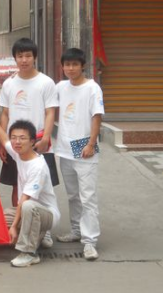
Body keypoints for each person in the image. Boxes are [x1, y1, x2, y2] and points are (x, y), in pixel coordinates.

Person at [0, 38, 58, 248]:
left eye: (28, 56)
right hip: (14, 144)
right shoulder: (9, 83)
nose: (24, 60)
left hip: (38, 141)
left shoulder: (46, 82)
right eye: (20, 56)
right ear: (15, 58)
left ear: (35, 57)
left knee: (42, 187)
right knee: (17, 185)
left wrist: (46, 137)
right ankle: (20, 227)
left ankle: (44, 231)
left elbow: (50, 112)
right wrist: (3, 143)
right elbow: (5, 114)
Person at [0, 114, 60, 267]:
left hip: (46, 213)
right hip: (28, 211)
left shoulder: (38, 166)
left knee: (28, 207)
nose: (17, 142)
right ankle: (35, 235)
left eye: (22, 138)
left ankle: (29, 253)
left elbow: (24, 200)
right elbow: (3, 138)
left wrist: (14, 226)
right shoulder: (18, 153)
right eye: (14, 138)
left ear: (32, 141)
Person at [55, 48, 104, 261]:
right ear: (62, 66)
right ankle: (76, 230)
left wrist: (91, 143)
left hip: (84, 147)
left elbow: (97, 116)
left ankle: (90, 241)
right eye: (67, 64)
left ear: (82, 65)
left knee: (88, 197)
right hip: (65, 149)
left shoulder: (92, 88)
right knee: (73, 195)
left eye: (75, 64)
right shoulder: (60, 87)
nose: (71, 68)